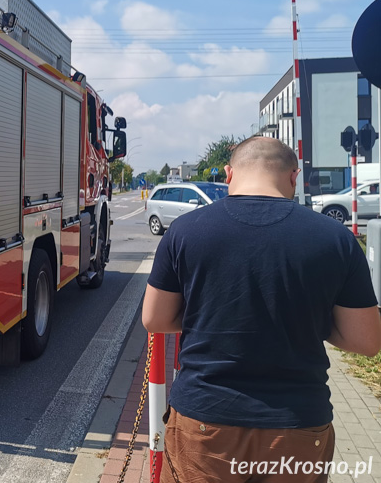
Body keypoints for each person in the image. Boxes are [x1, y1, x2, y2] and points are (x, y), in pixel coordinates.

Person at [142, 137, 381, 483]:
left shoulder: (185, 231)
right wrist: (310, 318)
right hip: (298, 422)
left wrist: (206, 316)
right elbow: (367, 341)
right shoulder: (335, 238)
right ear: (294, 177)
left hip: (206, 420)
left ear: (228, 173)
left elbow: (155, 319)